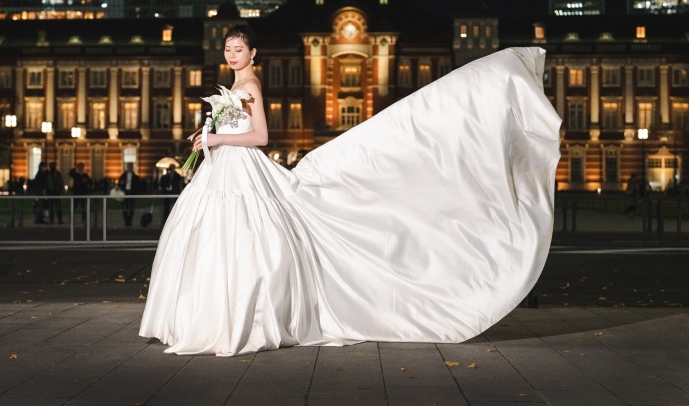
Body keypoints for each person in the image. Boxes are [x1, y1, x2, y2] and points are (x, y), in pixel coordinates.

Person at [139, 25, 562, 357]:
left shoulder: (250, 88)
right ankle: (216, 314)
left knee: (243, 237)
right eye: (227, 48)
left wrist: (216, 140)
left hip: (241, 168)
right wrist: (207, 135)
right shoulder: (233, 89)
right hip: (225, 172)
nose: (231, 54)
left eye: (238, 49)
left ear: (253, 54)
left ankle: (234, 317)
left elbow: (261, 137)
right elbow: (239, 131)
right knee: (222, 238)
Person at [117, 162, 143, 227]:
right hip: (124, 193)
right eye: (129, 166)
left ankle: (129, 221)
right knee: (124, 207)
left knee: (131, 207)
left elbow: (137, 186)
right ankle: (126, 221)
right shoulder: (123, 175)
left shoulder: (135, 177)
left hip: (132, 193)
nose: (130, 167)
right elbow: (119, 184)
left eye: (131, 166)